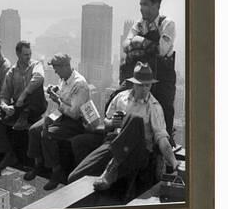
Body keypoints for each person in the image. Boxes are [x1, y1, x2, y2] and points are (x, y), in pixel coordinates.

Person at [68, 62, 179, 191]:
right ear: (134, 84)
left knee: (135, 120)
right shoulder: (120, 98)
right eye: (140, 85)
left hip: (137, 151)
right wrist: (112, 123)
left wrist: (174, 162)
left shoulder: (153, 107)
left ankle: (110, 171)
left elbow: (162, 138)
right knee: (74, 177)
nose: (144, 89)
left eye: (147, 85)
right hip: (114, 143)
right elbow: (106, 122)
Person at [121, 0, 177, 142]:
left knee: (164, 109)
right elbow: (126, 45)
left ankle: (165, 148)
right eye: (140, 4)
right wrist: (142, 43)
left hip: (162, 76)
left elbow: (161, 50)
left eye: (145, 4)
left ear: (156, 5)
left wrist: (139, 42)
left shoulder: (167, 24)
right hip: (142, 75)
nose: (141, 8)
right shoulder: (139, 25)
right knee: (132, 105)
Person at [0, 41, 46, 172]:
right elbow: (4, 94)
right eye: (25, 55)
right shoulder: (12, 72)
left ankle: (24, 115)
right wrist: (5, 106)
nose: (28, 57)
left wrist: (24, 94)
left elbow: (39, 77)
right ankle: (8, 153)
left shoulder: (36, 65)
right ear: (18, 54)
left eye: (29, 54)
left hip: (34, 105)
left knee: (35, 88)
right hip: (19, 105)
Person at [38, 53, 90, 190]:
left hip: (76, 122)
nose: (55, 71)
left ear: (66, 66)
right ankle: (38, 164)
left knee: (47, 133)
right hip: (61, 115)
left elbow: (74, 113)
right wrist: (55, 91)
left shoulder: (79, 84)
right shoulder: (64, 79)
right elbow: (63, 96)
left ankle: (56, 171)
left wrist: (57, 101)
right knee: (35, 129)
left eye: (57, 68)